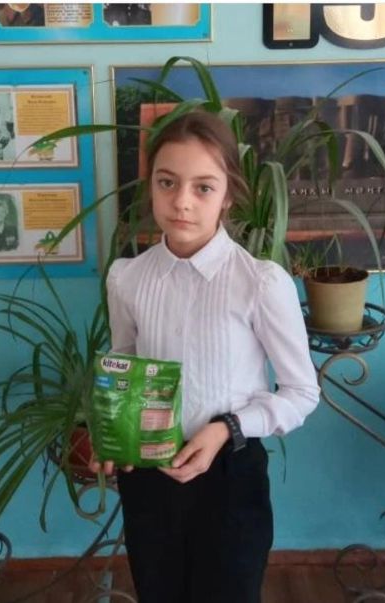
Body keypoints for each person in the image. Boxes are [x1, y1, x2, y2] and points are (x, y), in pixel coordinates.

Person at [90, 111, 320, 603]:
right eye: (167, 182)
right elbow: (125, 360)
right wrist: (114, 432)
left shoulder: (260, 282)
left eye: (203, 187)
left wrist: (226, 429)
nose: (182, 202)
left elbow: (302, 393)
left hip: (230, 478)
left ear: (228, 194)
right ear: (151, 186)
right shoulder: (127, 277)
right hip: (150, 476)